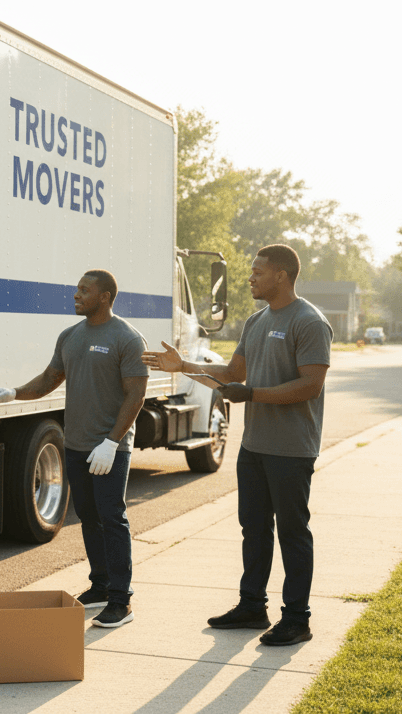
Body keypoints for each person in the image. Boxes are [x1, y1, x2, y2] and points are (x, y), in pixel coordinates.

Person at [142, 243, 331, 646]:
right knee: (254, 529)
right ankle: (252, 607)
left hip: (292, 449)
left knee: (293, 533)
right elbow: (231, 373)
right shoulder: (256, 321)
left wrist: (254, 395)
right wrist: (185, 367)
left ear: (281, 275)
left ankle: (297, 618)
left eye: (257, 271)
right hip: (256, 446)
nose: (250, 278)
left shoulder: (309, 321)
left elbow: (311, 385)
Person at [0, 269, 148, 629]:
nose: (76, 295)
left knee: (113, 519)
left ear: (105, 297)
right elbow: (49, 378)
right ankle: (101, 586)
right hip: (76, 445)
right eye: (76, 289)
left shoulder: (127, 338)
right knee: (89, 518)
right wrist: (15, 392)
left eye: (84, 290)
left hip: (109, 449)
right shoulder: (70, 336)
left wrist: (112, 442)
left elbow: (136, 395)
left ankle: (122, 602)